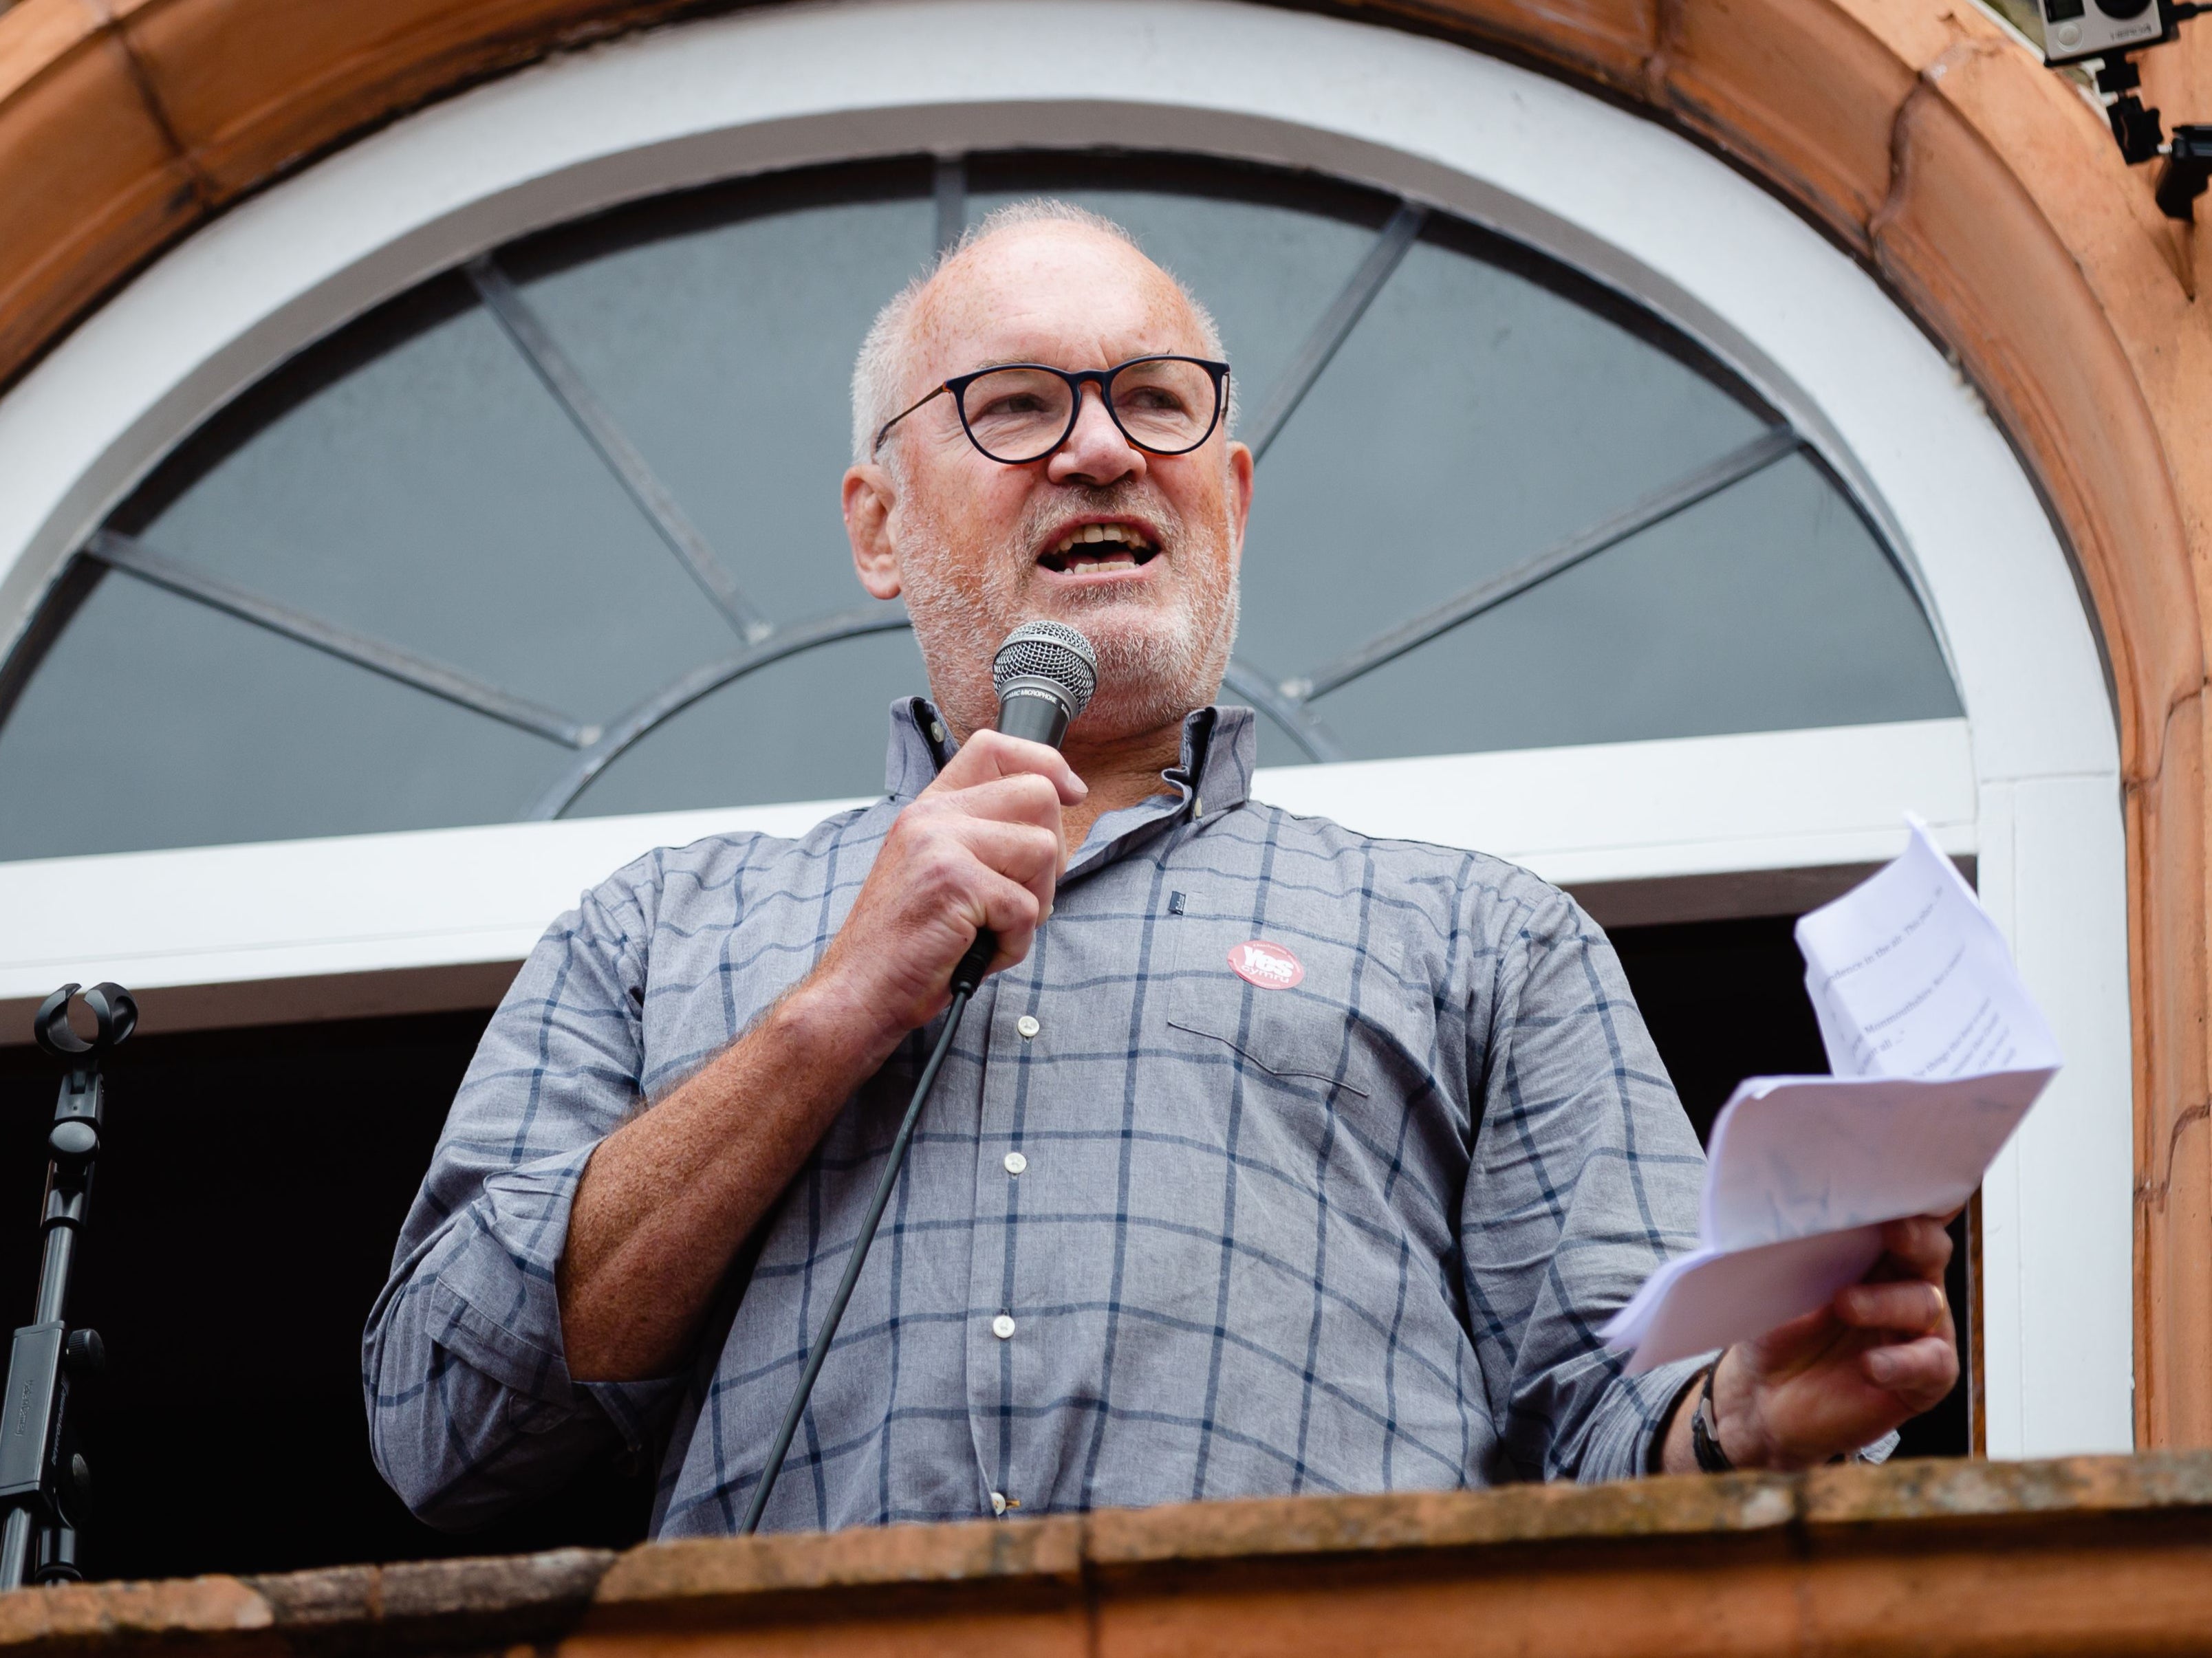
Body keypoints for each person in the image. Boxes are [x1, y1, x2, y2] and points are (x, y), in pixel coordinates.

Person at [363, 200, 1958, 1536]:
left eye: (1157, 399)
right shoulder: (655, 933)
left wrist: (1736, 1418)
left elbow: (1604, 1428)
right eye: (1014, 407)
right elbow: (443, 1426)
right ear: (876, 526)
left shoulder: (1483, 939)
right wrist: (835, 1009)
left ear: (1233, 497)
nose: (1101, 452)